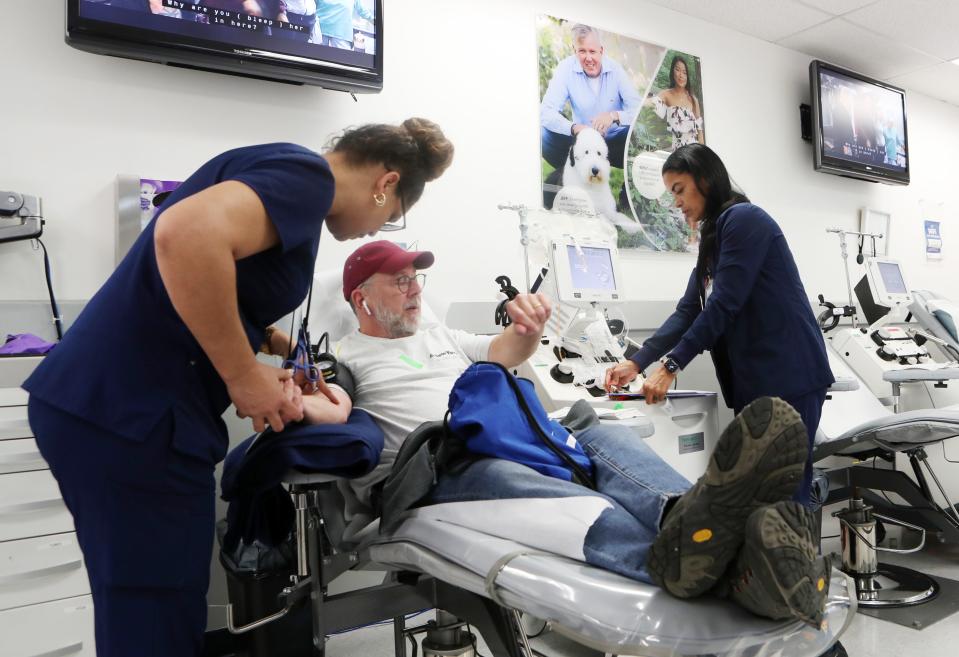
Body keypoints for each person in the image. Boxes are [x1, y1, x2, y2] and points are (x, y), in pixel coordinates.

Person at [23, 118, 454, 657]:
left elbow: (217, 275)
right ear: (385, 183)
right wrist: (242, 375)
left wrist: (271, 344)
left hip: (113, 406)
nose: (374, 230)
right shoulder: (306, 178)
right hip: (132, 412)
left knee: (141, 599)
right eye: (389, 218)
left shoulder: (283, 171)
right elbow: (185, 236)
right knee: (156, 607)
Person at [291, 240, 832, 627]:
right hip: (438, 468)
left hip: (514, 435)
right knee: (524, 482)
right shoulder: (344, 357)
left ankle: (688, 520)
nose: (414, 289)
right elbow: (333, 412)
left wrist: (528, 329)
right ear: (361, 298)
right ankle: (674, 557)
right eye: (400, 280)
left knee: (598, 432)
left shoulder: (441, 336)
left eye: (416, 279)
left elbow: (505, 352)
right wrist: (310, 399)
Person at [605, 143, 834, 509]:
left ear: (706, 181)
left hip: (788, 375)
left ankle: (796, 566)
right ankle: (771, 565)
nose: (676, 203)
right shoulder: (714, 239)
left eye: (679, 190)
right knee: (762, 492)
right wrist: (637, 361)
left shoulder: (745, 220)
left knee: (783, 491)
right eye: (671, 194)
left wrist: (671, 365)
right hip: (757, 382)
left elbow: (724, 304)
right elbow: (688, 311)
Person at [540, 23, 641, 170]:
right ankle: (572, 177)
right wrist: (574, 128)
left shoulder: (616, 70)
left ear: (601, 50)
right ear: (574, 50)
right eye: (582, 51)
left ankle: (627, 190)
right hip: (582, 142)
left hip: (615, 142)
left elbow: (639, 112)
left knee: (638, 134)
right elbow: (546, 112)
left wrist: (614, 116)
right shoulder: (565, 68)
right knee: (543, 134)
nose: (588, 58)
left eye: (592, 51)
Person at [647, 54, 704, 149]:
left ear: (687, 76)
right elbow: (651, 103)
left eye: (684, 72)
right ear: (672, 72)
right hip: (678, 151)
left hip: (694, 150)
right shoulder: (666, 94)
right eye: (677, 70)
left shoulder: (693, 99)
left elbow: (700, 130)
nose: (681, 75)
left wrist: (702, 154)